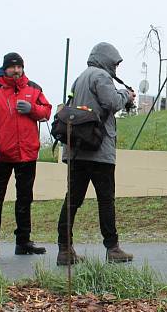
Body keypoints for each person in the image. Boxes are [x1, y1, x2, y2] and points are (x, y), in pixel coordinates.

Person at [55, 42, 135, 265]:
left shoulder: (80, 78)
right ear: (106, 60)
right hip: (99, 151)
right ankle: (112, 248)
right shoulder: (101, 76)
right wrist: (125, 95)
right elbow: (111, 102)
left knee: (72, 200)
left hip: (76, 150)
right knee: (105, 200)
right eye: (115, 64)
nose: (116, 69)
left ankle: (64, 248)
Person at [0, 52, 52, 260]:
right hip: (2, 155)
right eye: (12, 67)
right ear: (6, 68)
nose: (16, 70)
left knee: (25, 199)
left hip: (27, 154)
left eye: (19, 66)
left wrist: (32, 109)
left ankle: (23, 241)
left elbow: (46, 111)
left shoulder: (34, 88)